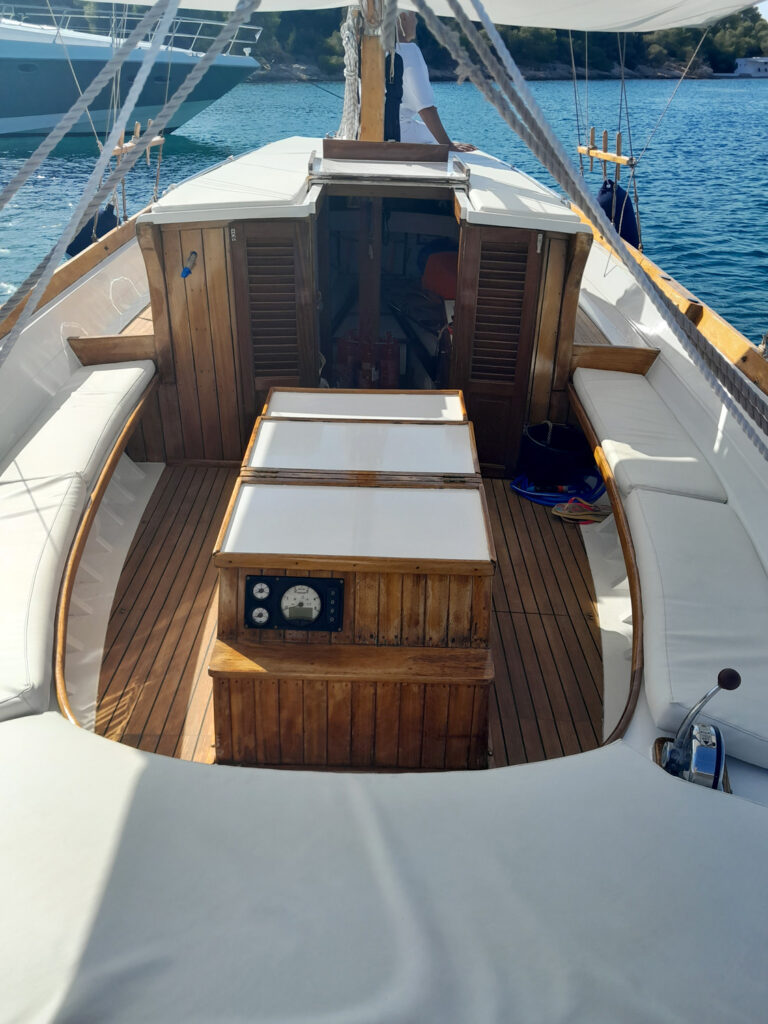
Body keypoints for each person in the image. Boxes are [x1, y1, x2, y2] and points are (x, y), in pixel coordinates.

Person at [395, 12, 474, 151]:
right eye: (414, 16)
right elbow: (426, 107)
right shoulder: (409, 50)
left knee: (426, 131)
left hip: (371, 132)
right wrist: (447, 144)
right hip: (398, 134)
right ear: (403, 18)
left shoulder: (373, 49)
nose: (416, 22)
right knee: (430, 134)